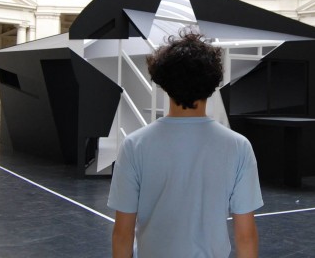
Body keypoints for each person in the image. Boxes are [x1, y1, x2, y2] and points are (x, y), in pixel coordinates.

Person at [108, 29, 263, 258]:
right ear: (213, 83)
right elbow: (246, 236)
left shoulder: (134, 146)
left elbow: (123, 233)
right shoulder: (238, 147)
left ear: (163, 82)